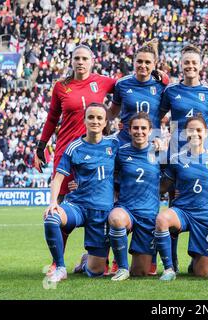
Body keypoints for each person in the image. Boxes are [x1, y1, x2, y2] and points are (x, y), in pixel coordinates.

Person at [36, 44, 117, 276]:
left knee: (102, 199)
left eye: (84, 58)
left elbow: (127, 86)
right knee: (60, 203)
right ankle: (57, 261)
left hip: (95, 151)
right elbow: (52, 117)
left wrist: (157, 77)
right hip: (66, 151)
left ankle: (100, 257)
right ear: (71, 61)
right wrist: (41, 146)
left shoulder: (102, 82)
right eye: (76, 58)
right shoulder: (61, 87)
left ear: (92, 61)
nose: (80, 62)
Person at [107, 39, 169, 275]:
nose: (142, 66)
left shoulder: (161, 85)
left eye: (147, 63)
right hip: (125, 142)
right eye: (139, 62)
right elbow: (112, 112)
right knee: (113, 195)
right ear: (133, 62)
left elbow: (167, 104)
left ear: (154, 65)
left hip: (150, 145)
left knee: (148, 193)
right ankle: (111, 256)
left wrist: (163, 139)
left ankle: (151, 255)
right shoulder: (122, 84)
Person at [159, 44, 208, 272]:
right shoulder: (171, 91)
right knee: (174, 201)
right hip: (177, 159)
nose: (190, 66)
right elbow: (156, 115)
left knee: (205, 204)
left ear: (201, 65)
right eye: (186, 63)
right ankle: (170, 261)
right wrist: (160, 140)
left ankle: (205, 258)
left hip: (203, 160)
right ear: (181, 65)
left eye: (194, 62)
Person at [43, 103, 119, 283]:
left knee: (96, 271)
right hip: (77, 206)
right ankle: (60, 268)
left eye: (99, 118)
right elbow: (58, 178)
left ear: (105, 121)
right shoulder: (74, 146)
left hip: (102, 211)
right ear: (84, 120)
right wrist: (53, 202)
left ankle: (86, 262)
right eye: (91, 117)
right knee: (52, 217)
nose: (95, 121)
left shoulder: (114, 144)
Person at [154, 114, 208, 281]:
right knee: (162, 219)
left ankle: (197, 260)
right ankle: (169, 268)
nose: (195, 134)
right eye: (191, 130)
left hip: (205, 215)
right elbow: (163, 185)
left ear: (206, 133)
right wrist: (155, 155)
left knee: (202, 274)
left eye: (199, 130)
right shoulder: (176, 159)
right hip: (182, 211)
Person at [107, 112, 161, 281]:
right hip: (127, 210)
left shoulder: (160, 153)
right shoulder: (120, 152)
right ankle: (122, 267)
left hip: (149, 215)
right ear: (129, 131)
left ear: (150, 131)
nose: (139, 131)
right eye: (135, 128)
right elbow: (107, 175)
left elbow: (172, 177)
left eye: (143, 128)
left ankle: (137, 262)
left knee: (140, 272)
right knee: (115, 218)